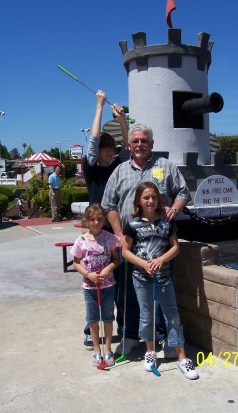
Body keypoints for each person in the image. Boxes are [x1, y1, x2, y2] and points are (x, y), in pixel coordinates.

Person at [101, 123, 192, 357]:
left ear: (151, 144)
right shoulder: (120, 171)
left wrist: (174, 208)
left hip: (160, 246)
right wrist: (119, 234)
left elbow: (183, 193)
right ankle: (131, 336)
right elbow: (108, 205)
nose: (140, 145)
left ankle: (162, 339)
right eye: (136, 141)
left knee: (163, 293)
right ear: (129, 145)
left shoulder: (166, 167)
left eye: (144, 141)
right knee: (129, 294)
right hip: (130, 244)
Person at [122, 181, 198, 379]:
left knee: (172, 316)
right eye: (146, 197)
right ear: (139, 199)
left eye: (154, 197)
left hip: (164, 277)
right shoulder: (131, 222)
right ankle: (150, 352)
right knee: (146, 315)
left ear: (159, 199)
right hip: (141, 277)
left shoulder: (167, 221)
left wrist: (160, 260)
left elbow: (175, 247)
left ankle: (182, 357)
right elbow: (125, 251)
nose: (150, 200)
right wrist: (143, 263)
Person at [82, 90, 129, 349]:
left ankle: (119, 324)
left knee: (117, 281)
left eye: (111, 150)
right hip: (95, 231)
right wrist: (99, 105)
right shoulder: (91, 166)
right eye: (105, 150)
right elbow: (94, 138)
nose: (109, 154)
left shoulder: (117, 165)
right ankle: (90, 329)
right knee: (93, 280)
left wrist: (120, 117)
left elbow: (128, 142)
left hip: (115, 231)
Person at [70, 203, 120, 368]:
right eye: (92, 220)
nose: (96, 222)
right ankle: (96, 349)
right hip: (90, 288)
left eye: (99, 219)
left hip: (108, 286)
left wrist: (108, 269)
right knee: (92, 319)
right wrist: (87, 274)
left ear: (104, 220)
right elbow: (76, 262)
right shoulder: (81, 240)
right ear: (86, 221)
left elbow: (116, 259)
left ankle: (107, 348)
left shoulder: (109, 238)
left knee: (107, 317)